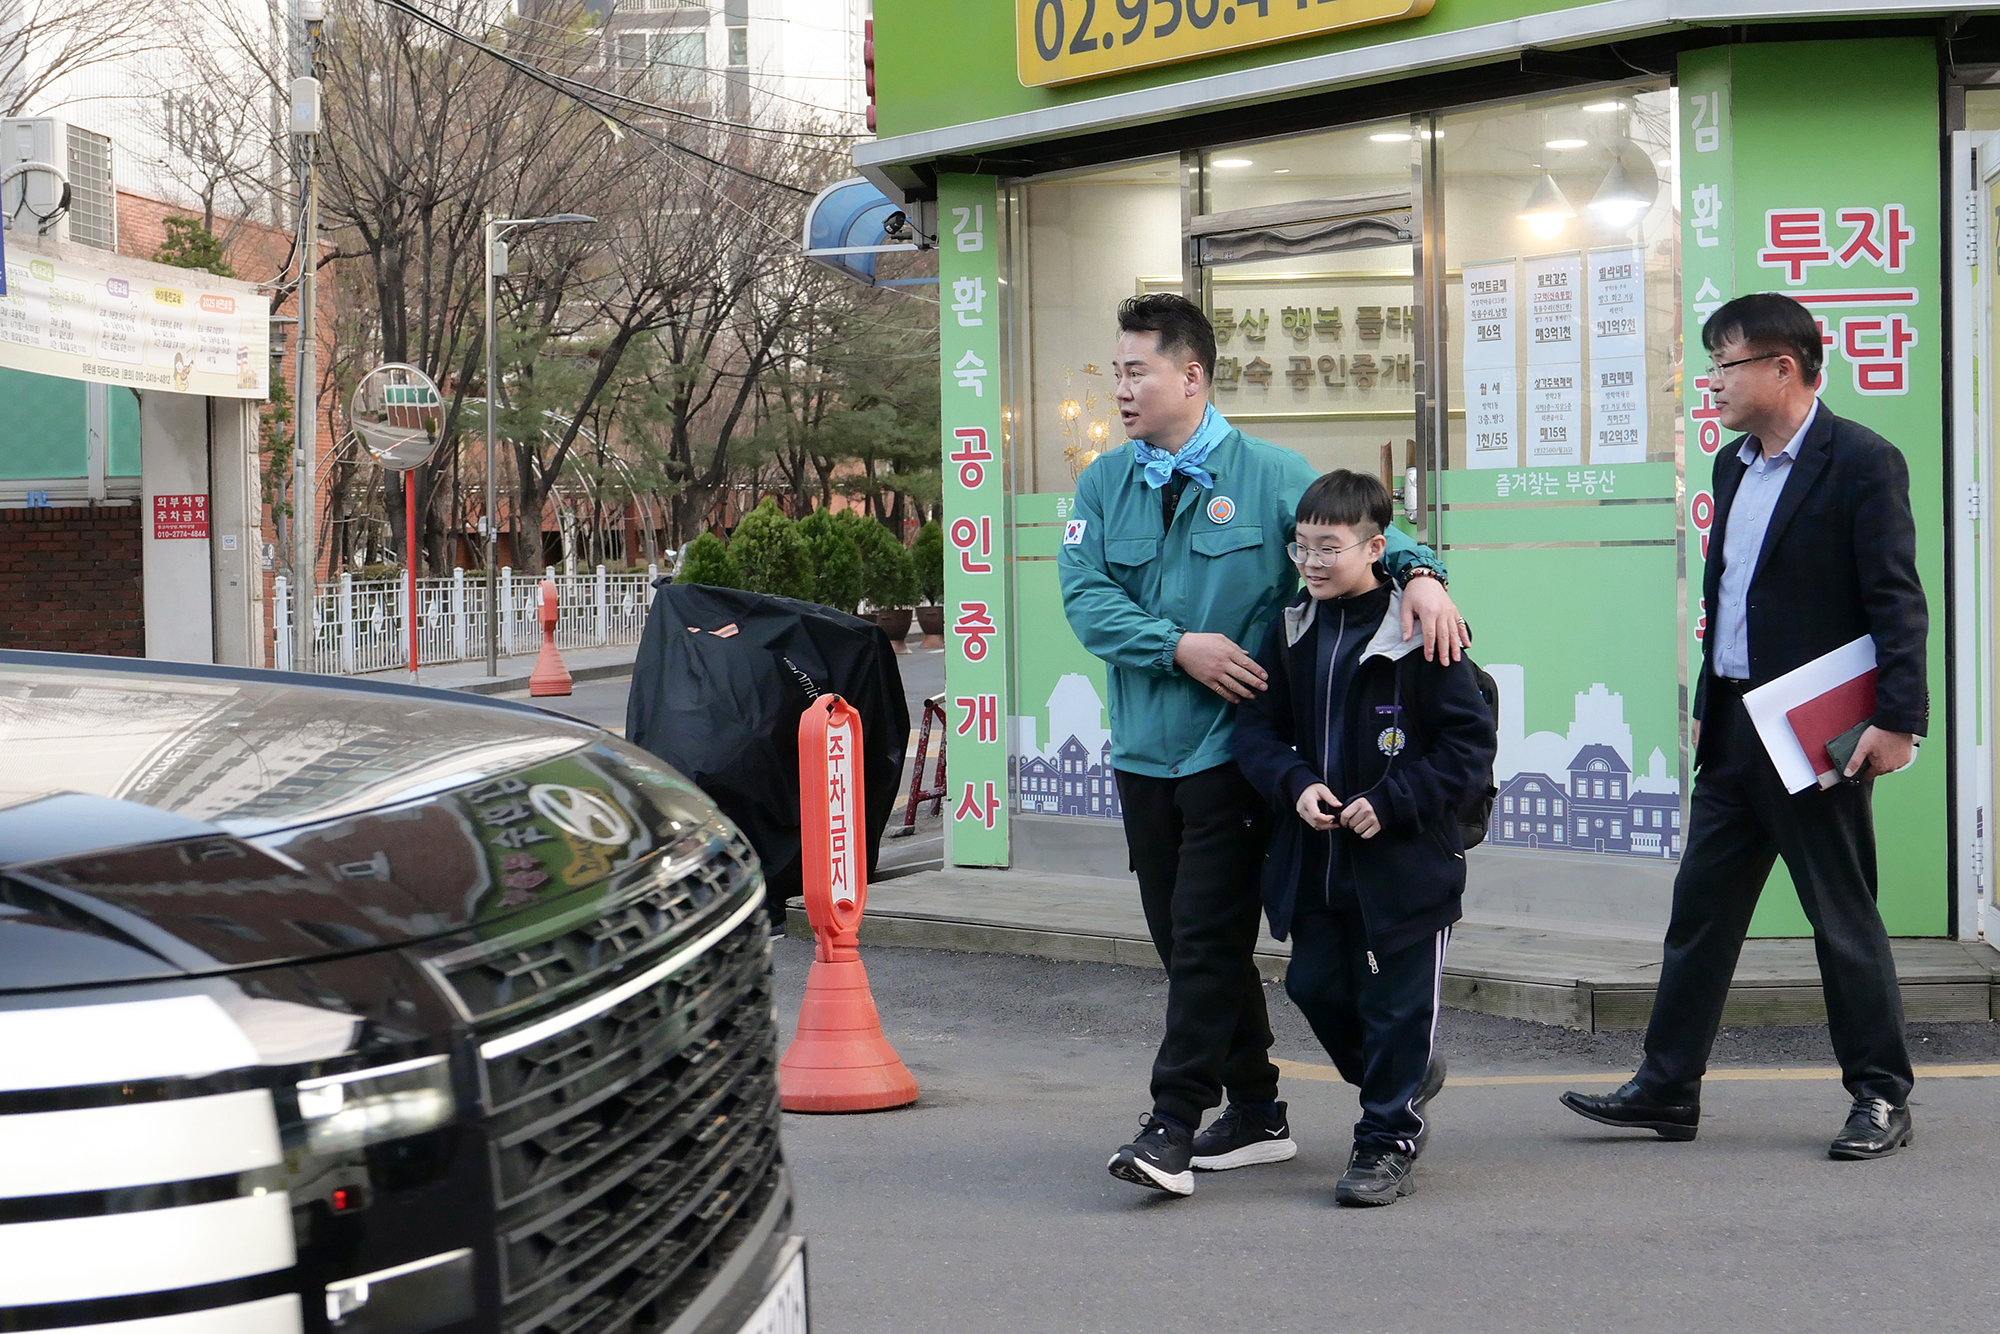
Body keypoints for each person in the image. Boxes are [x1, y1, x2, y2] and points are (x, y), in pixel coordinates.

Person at [1057, 294, 1467, 1197]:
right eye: (1117, 371)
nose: (1120, 389)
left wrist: (1426, 577)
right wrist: (1177, 647)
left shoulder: (1272, 473)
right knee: (1183, 942)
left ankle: (1171, 1125)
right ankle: (1257, 1110)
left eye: (1137, 371)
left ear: (1190, 376)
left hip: (1233, 755)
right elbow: (1085, 598)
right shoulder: (1104, 484)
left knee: (1207, 938)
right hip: (1144, 751)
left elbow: (1372, 537)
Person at [1560, 292, 1928, 1159]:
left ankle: (1881, 1095)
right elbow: (1730, 597)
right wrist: (1705, 705)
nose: (1712, 383)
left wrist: (1898, 720)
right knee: (1701, 915)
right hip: (1734, 726)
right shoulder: (1733, 464)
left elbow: (1896, 600)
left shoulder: (1862, 461)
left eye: (1724, 365)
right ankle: (1667, 1087)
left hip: (1813, 731)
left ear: (1783, 368)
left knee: (1841, 918)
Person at [1231, 470, 1496, 1206]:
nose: (1312, 562)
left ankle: (1386, 1139)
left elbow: (1469, 748)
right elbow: (1254, 731)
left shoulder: (1422, 630)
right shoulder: (1290, 627)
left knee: (1398, 1010)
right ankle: (1404, 1077)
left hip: (1407, 867)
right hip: (1316, 864)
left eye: (1330, 547)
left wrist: (1393, 801)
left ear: (1377, 547)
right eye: (1301, 547)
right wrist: (1293, 783)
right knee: (1314, 986)